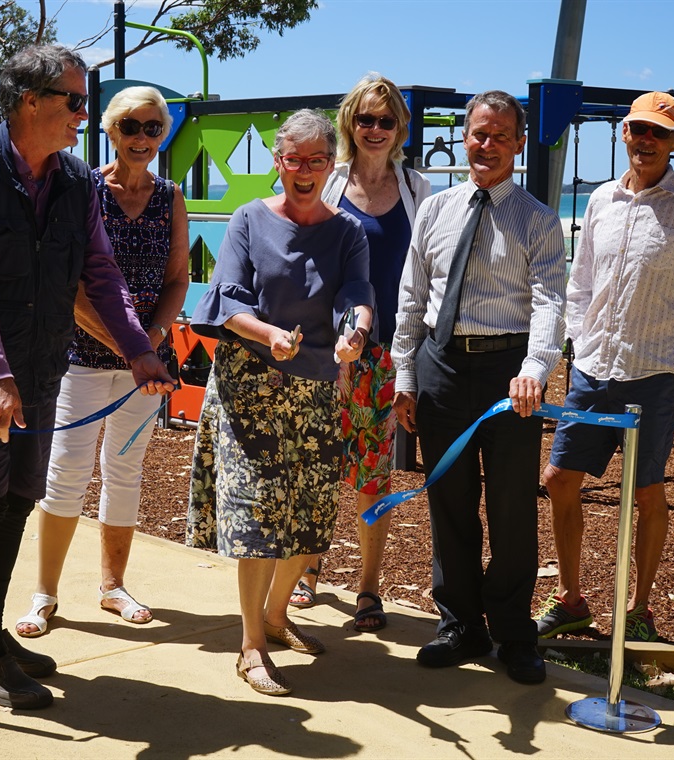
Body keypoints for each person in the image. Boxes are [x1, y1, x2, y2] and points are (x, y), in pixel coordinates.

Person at [0, 45, 173, 710]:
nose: (83, 113)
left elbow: (101, 272)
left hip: (37, 372)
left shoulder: (74, 181)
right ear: (30, 99)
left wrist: (136, 350)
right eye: (74, 99)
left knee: (14, 505)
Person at [537, 91, 674, 643]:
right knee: (558, 479)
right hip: (591, 370)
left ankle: (639, 610)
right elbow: (579, 282)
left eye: (659, 133)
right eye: (637, 130)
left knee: (647, 492)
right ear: (622, 135)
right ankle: (572, 599)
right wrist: (578, 341)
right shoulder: (601, 200)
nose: (646, 141)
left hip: (654, 376)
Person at [186, 109, 374, 695]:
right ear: (278, 161)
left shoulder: (348, 231)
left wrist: (357, 332)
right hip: (249, 389)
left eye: (318, 160)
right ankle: (251, 644)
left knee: (310, 517)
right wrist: (268, 334)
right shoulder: (247, 220)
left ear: (331, 165)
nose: (306, 171)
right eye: (295, 159)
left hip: (315, 388)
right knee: (257, 516)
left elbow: (358, 294)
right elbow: (228, 299)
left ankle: (275, 616)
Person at [391, 90, 565, 685]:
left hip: (509, 376)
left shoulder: (537, 220)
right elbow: (411, 299)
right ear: (464, 138)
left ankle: (514, 634)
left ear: (519, 143)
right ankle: (461, 625)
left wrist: (536, 369)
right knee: (450, 502)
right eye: (477, 134)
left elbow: (549, 303)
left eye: (499, 136)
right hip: (441, 370)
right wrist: (405, 376)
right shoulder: (435, 211)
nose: (486, 145)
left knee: (513, 506)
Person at [14, 86, 189, 638]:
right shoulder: (82, 189)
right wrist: (132, 349)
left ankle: (113, 586)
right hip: (83, 360)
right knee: (65, 472)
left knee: (125, 472)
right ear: (110, 131)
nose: (142, 138)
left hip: (146, 366)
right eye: (130, 127)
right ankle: (44, 594)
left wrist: (152, 340)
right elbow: (68, 287)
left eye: (153, 128)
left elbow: (177, 278)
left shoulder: (170, 197)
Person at [287, 73, 431, 632]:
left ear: (399, 128)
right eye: (365, 119)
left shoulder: (417, 191)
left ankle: (369, 588)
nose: (374, 129)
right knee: (317, 462)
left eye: (386, 120)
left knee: (373, 473)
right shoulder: (329, 183)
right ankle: (308, 568)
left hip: (390, 350)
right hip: (328, 347)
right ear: (349, 123)